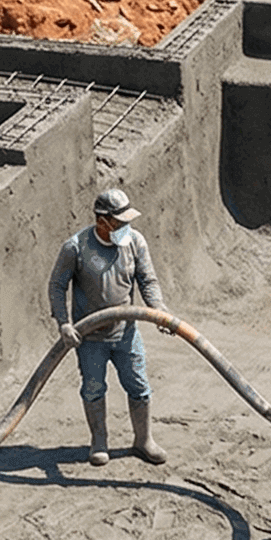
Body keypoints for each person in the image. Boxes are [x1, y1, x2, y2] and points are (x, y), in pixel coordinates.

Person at [49, 187, 167, 468]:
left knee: (138, 386)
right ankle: (99, 441)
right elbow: (57, 286)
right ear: (102, 221)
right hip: (90, 338)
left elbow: (147, 280)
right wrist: (64, 324)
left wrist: (158, 309)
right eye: (120, 221)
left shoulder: (135, 242)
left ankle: (143, 440)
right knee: (93, 388)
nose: (126, 226)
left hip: (126, 333)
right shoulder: (76, 247)